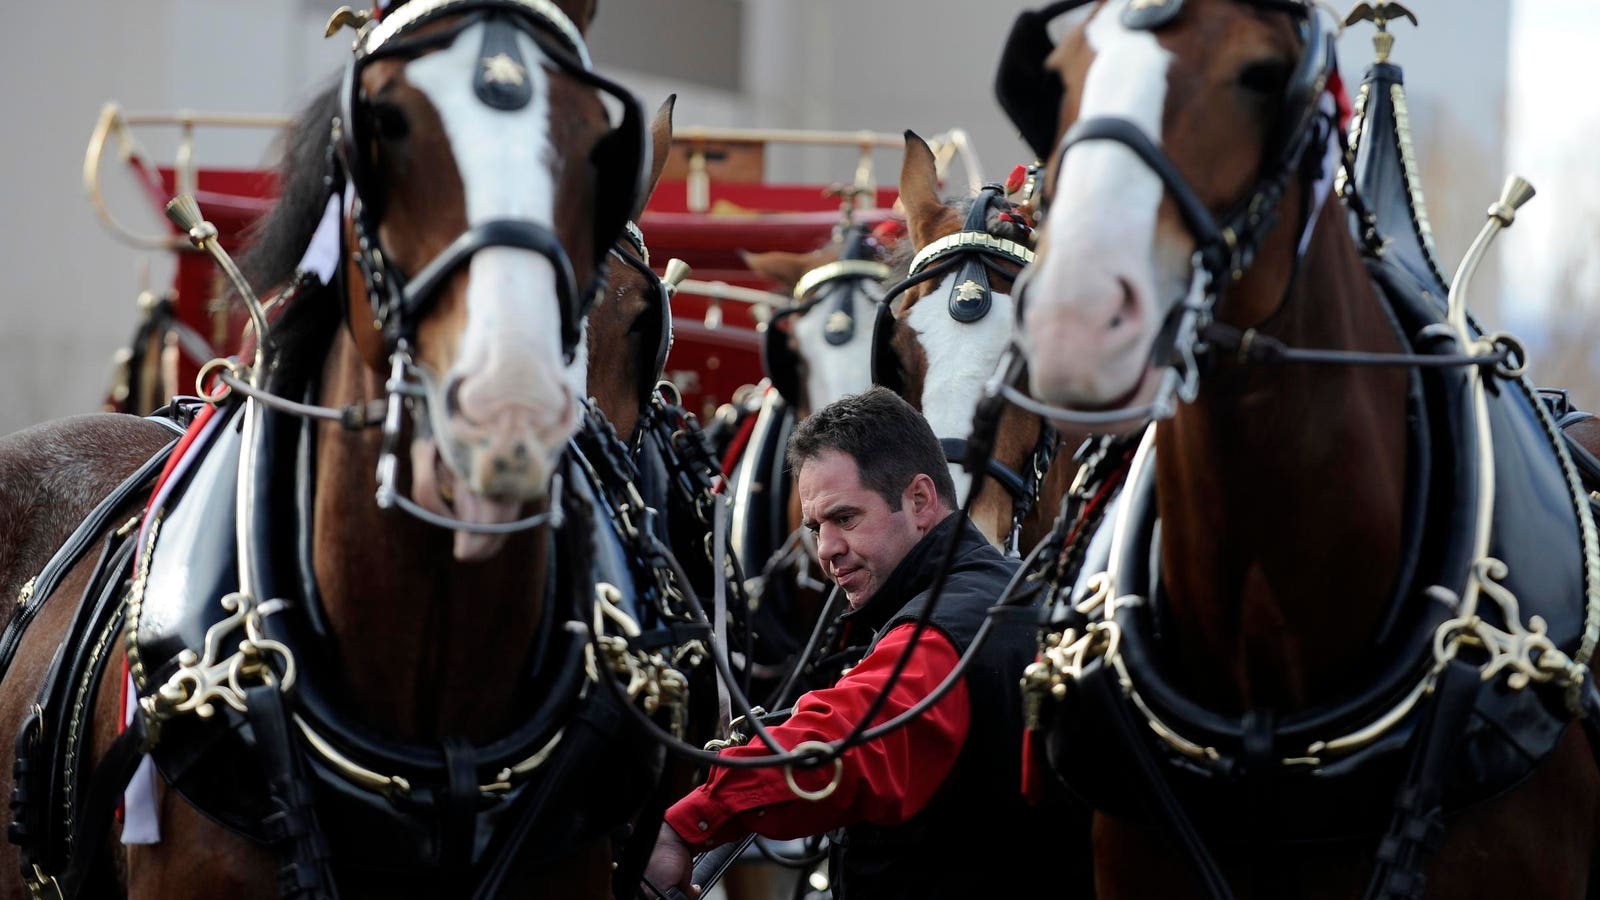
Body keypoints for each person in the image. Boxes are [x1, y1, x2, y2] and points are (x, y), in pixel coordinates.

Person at [643, 387, 1067, 899]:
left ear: (920, 501)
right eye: (816, 527)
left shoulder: (942, 631)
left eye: (846, 518)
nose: (826, 551)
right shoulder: (1011, 592)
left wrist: (691, 822)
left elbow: (847, 740)